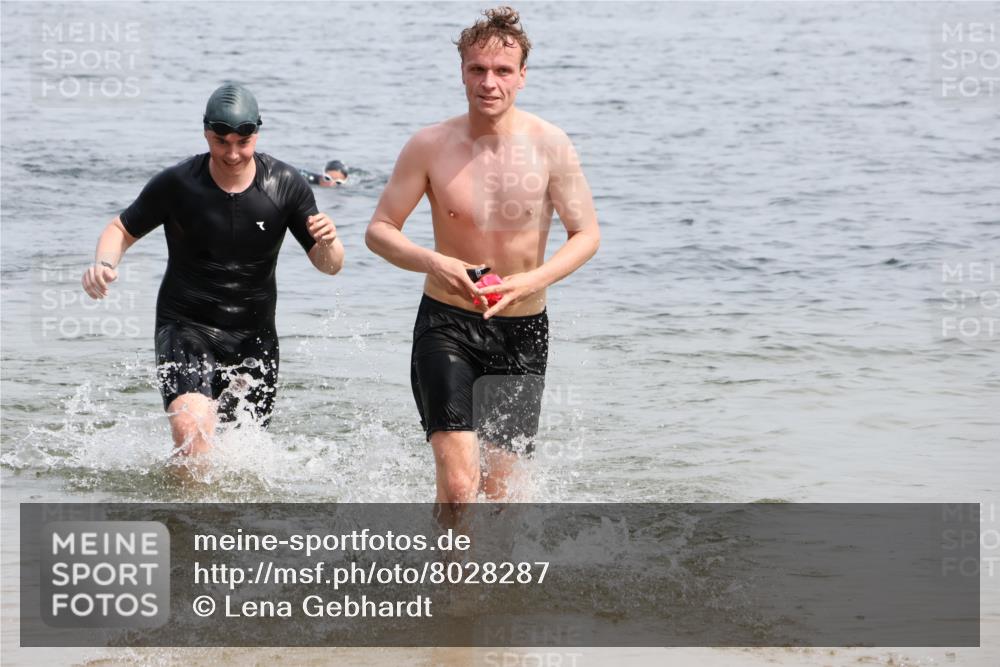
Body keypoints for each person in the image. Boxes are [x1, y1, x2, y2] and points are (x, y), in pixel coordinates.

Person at [365, 7, 599, 503]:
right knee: (457, 487)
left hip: (522, 328)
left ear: (522, 77)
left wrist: (530, 280)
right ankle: (455, 582)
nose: (489, 82)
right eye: (477, 69)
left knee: (504, 496)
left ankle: (489, 580)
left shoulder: (551, 145)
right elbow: (380, 231)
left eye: (502, 71)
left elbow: (586, 234)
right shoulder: (428, 145)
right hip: (447, 324)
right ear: (462, 72)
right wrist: (437, 262)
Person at [81, 83, 344, 457]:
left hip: (255, 338)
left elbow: (329, 266)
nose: (233, 153)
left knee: (237, 458)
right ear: (206, 133)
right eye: (221, 141)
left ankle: (200, 511)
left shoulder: (285, 185)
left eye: (243, 141)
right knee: (193, 432)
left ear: (257, 132)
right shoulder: (179, 184)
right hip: (186, 326)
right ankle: (188, 515)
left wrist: (330, 242)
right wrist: (103, 264)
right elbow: (121, 229)